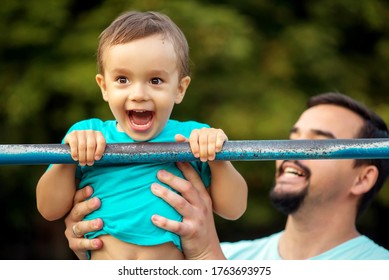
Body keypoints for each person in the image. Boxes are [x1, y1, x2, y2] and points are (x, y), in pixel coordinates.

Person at [65, 92, 389, 260]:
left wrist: (206, 255)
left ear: (363, 178)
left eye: (319, 143)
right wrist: (103, 252)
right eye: (293, 137)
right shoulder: (233, 256)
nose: (291, 151)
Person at [36, 11, 247, 260]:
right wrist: (67, 160)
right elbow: (49, 210)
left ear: (179, 89)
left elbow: (234, 209)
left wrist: (219, 158)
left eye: (155, 80)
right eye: (122, 79)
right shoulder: (87, 135)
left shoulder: (191, 137)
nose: (138, 93)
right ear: (104, 87)